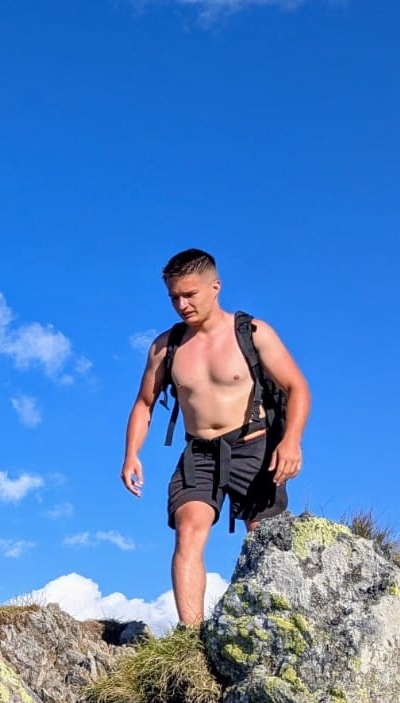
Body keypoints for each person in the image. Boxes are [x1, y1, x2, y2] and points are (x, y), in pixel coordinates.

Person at [120, 249, 311, 627]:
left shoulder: (252, 333)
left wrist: (291, 440)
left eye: (190, 294)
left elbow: (297, 387)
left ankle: (275, 626)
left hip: (255, 446)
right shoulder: (165, 347)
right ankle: (190, 634)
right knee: (188, 531)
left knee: (264, 538)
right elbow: (144, 403)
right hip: (200, 453)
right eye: (174, 297)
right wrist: (131, 454)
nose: (182, 305)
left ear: (215, 287)